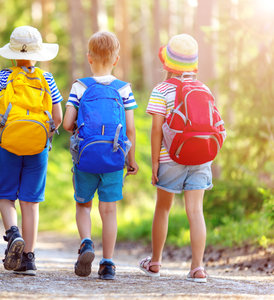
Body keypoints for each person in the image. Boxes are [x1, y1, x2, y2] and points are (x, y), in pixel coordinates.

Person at [0, 25, 63, 276]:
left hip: (8, 141)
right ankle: (28, 258)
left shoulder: (4, 75)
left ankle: (13, 233)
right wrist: (45, 137)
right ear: (38, 53)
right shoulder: (46, 78)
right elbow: (58, 116)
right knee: (31, 202)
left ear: (12, 54)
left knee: (5, 194)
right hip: (38, 145)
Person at [140, 33, 215, 283]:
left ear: (167, 63)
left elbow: (157, 129)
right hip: (201, 157)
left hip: (170, 157)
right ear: (194, 64)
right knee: (196, 211)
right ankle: (197, 268)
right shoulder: (203, 88)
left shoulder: (161, 90)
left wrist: (154, 164)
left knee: (163, 208)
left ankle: (155, 262)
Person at [63, 31, 138, 280]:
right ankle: (108, 264)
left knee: (83, 205)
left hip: (86, 157)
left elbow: (66, 124)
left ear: (89, 58)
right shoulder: (124, 89)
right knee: (109, 211)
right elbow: (130, 129)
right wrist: (131, 159)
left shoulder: (80, 86)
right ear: (116, 60)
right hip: (114, 158)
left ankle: (86, 242)